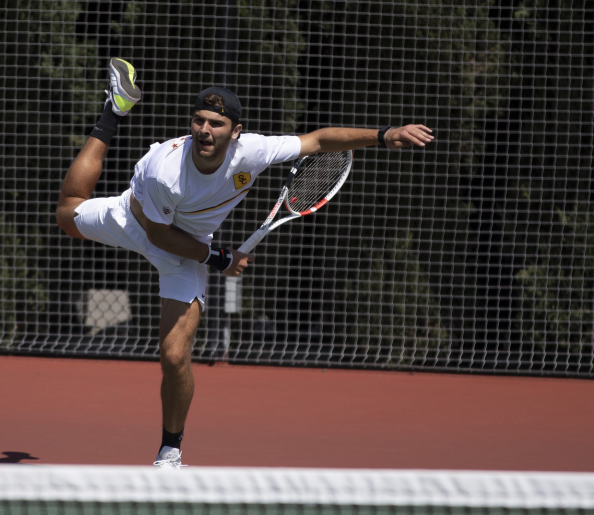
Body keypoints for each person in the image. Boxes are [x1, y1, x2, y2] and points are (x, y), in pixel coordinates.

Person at [55, 59, 434, 468]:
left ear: (235, 132)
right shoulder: (165, 169)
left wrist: (383, 134)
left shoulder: (252, 151)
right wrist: (220, 259)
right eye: (198, 120)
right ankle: (116, 107)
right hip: (138, 220)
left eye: (216, 123)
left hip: (189, 249)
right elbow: (158, 235)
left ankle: (170, 450)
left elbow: (319, 141)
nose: (204, 129)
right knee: (67, 215)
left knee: (175, 356)